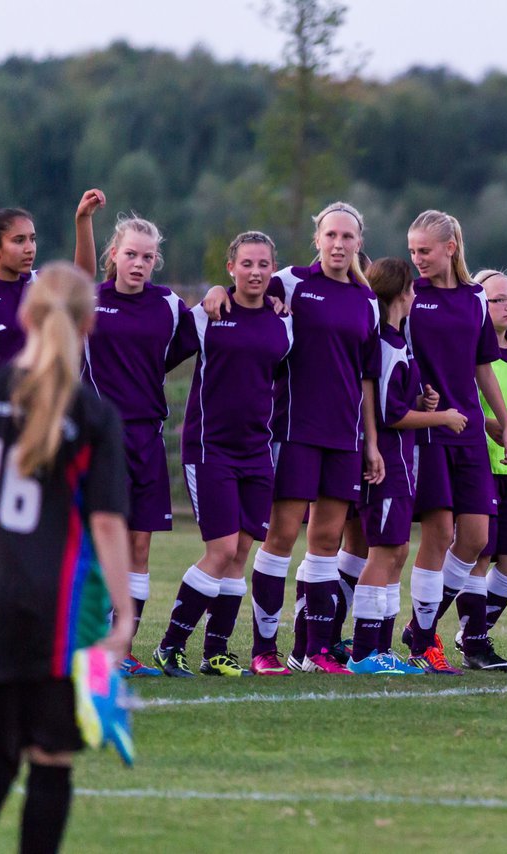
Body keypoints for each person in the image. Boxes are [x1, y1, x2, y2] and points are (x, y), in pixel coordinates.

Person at [0, 262, 135, 854]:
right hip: (56, 611)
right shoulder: (92, 414)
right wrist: (124, 617)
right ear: (90, 325)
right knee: (50, 758)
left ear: (24, 317)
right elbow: (105, 522)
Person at [203, 201, 383, 675]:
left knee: (325, 540)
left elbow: (367, 377)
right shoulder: (290, 282)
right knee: (280, 536)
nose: (339, 244)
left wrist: (371, 443)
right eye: (331, 236)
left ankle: (312, 650)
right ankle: (264, 649)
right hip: (293, 431)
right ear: (317, 240)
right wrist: (215, 290)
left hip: (344, 437)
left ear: (359, 243)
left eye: (348, 237)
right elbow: (245, 285)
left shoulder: (367, 301)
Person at [150, 232, 293, 678]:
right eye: (246, 263)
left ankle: (217, 651)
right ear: (230, 267)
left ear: (273, 270)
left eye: (263, 264)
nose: (255, 272)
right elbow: (156, 361)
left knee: (241, 552)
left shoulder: (283, 321)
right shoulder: (210, 312)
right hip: (210, 448)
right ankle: (170, 645)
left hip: (258, 451)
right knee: (222, 549)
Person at [400, 210, 507, 675]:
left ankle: (419, 629)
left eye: (424, 251)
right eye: (411, 251)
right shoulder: (409, 296)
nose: (417, 259)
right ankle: (425, 642)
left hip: (468, 431)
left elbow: (482, 365)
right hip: (427, 430)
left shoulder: (473, 298)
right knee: (438, 534)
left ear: (450, 248)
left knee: (476, 538)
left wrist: (504, 423)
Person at [81, 213, 196, 677]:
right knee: (94, 540)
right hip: (98, 436)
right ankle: (89, 643)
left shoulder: (168, 305)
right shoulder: (90, 300)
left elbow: (191, 341)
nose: (139, 263)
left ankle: (123, 650)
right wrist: (82, 222)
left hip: (147, 434)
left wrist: (213, 296)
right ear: (114, 255)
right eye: (130, 254)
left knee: (140, 545)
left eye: (148, 257)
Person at [348, 257, 468, 674]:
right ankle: (363, 651)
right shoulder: (383, 343)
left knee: (397, 551)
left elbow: (399, 404)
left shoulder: (399, 342)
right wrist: (442, 417)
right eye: (412, 290)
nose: (417, 295)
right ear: (401, 294)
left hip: (403, 462)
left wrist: (422, 402)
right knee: (383, 553)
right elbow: (388, 414)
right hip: (385, 465)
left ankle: (380, 646)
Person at [453, 269, 507, 671]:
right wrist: (490, 428)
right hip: (479, 463)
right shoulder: (469, 351)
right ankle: (474, 643)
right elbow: (464, 405)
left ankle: (468, 627)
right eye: (499, 299)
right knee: (479, 555)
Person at [0, 190, 106, 373]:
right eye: (19, 241)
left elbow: (81, 276)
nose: (29, 249)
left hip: (39, 396)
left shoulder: (41, 284)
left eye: (32, 239)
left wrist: (83, 218)